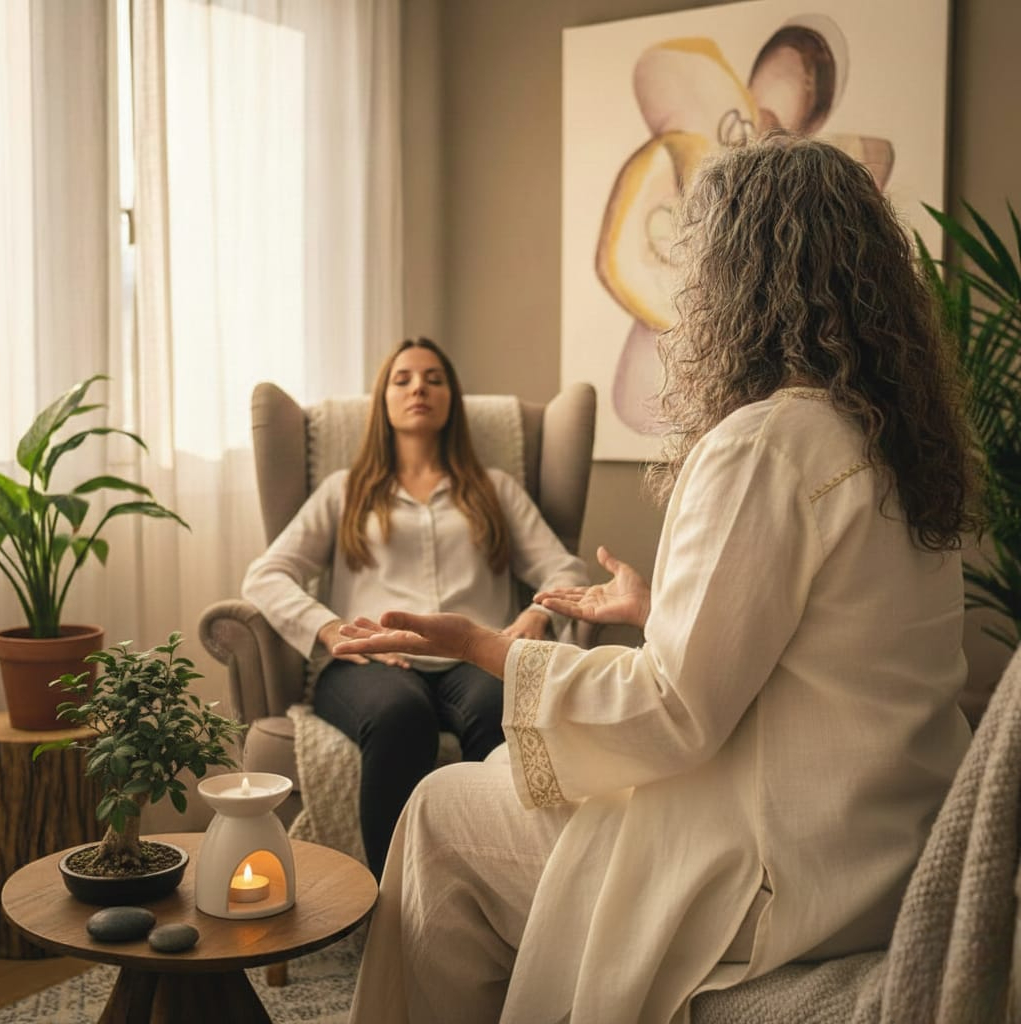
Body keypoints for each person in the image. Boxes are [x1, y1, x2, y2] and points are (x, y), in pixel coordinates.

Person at [332, 133, 984, 1024]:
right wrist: (662, 607)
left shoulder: (762, 444)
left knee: (443, 808)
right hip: (881, 846)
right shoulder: (893, 443)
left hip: (779, 872)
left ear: (741, 278)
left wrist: (487, 648)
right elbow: (826, 645)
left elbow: (674, 712)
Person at [241, 337, 588, 879]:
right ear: (383, 400)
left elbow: (565, 572)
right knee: (402, 716)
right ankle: (393, 910)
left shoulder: (496, 491)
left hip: (473, 660)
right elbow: (265, 574)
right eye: (403, 379)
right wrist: (329, 630)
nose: (419, 387)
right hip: (370, 666)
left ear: (452, 400)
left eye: (433, 378)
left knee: (502, 710)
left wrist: (536, 615)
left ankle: (498, 896)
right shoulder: (345, 490)